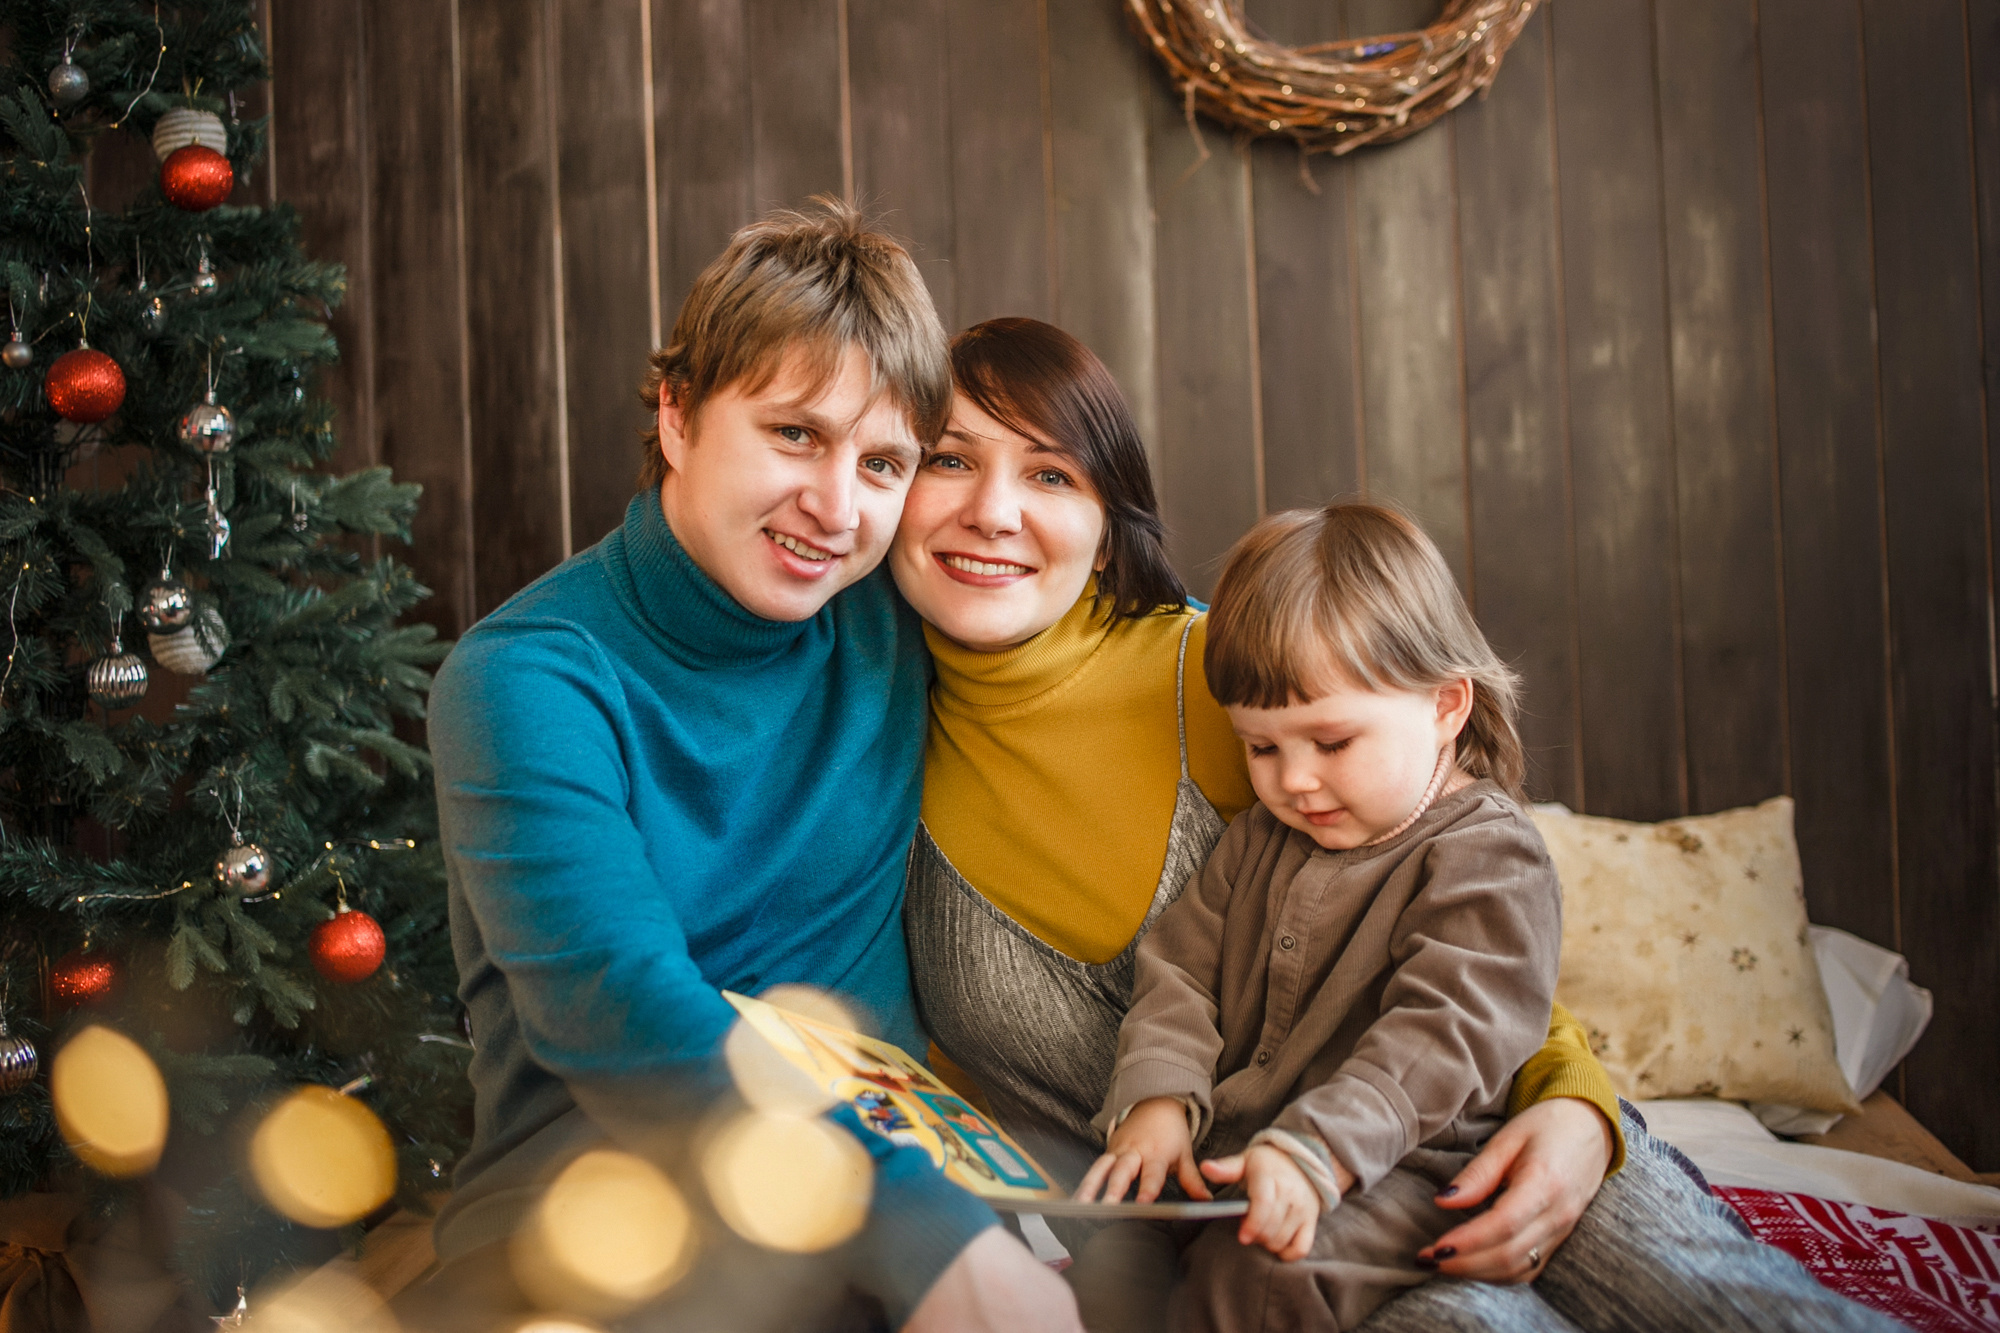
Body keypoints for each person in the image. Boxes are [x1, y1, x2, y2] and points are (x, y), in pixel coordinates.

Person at [893, 319, 1895, 1332]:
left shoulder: (1227, 678)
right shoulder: (861, 754)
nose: (992, 511)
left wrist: (1574, 1107)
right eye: (949, 459)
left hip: (1466, 1140)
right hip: (1238, 1244)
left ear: (1109, 516)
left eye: (1051, 475)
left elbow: (1459, 923)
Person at [416, 204, 1080, 1332]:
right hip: (605, 1207)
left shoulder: (895, 611)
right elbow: (619, 1011)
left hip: (893, 1196)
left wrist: (1504, 1087)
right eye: (793, 435)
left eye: (882, 462)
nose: (834, 508)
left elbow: (1184, 654)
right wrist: (925, 1230)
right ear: (676, 416)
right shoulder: (526, 682)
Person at [1075, 502, 1562, 1328]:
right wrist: (1159, 1099)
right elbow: (1180, 970)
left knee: (1262, 1275)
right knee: (1111, 1254)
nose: (1293, 781)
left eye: (1331, 744)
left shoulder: (1489, 852)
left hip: (1398, 1167)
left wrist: (1321, 1150)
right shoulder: (1262, 839)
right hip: (1230, 1154)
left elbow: (1447, 1029)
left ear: (1446, 706)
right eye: (1262, 748)